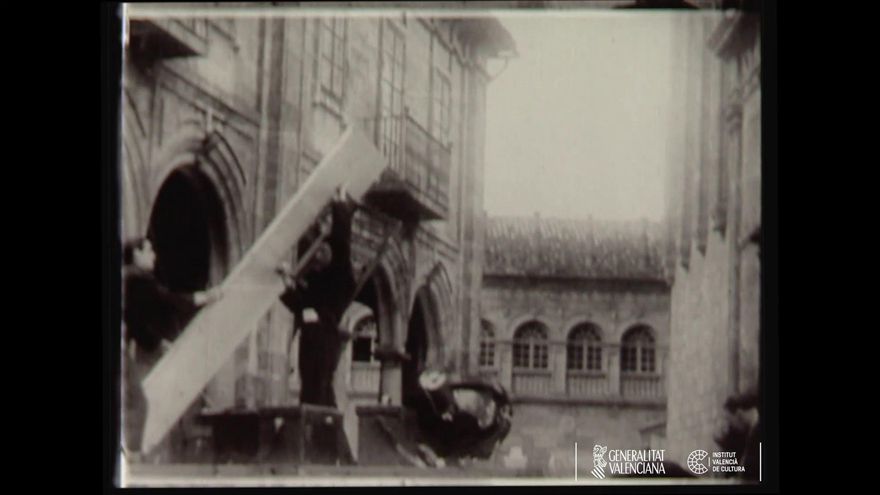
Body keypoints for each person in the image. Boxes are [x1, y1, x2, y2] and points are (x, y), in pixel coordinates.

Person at [122, 237, 222, 459]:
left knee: (142, 400)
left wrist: (158, 341)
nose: (154, 256)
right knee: (140, 401)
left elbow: (145, 315)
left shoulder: (134, 280)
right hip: (134, 352)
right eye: (149, 251)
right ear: (136, 254)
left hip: (137, 348)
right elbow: (168, 300)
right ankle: (134, 454)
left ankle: (138, 453)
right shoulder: (136, 281)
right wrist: (203, 298)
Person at [277, 186, 358, 408]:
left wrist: (339, 205)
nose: (318, 254)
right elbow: (299, 303)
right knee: (309, 386)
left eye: (323, 251)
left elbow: (342, 244)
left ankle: (322, 420)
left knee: (320, 384)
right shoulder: (315, 279)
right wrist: (284, 283)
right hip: (310, 338)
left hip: (325, 336)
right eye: (317, 251)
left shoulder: (339, 275)